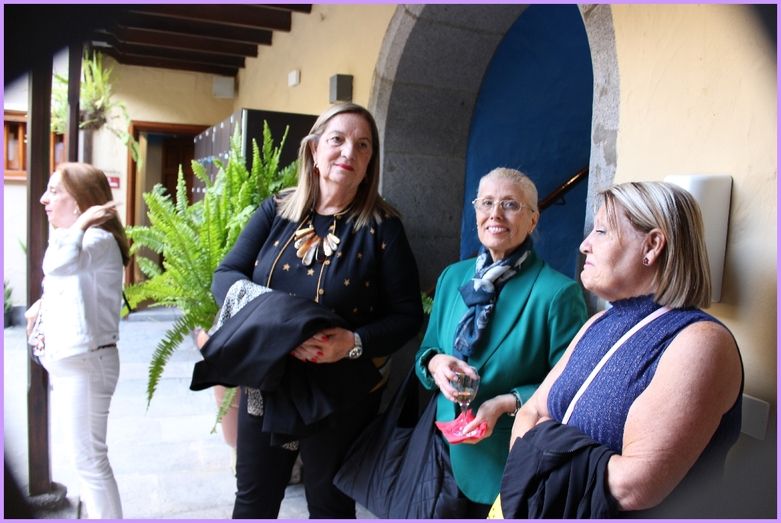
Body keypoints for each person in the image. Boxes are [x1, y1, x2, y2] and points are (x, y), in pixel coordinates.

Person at [209, 102, 423, 518]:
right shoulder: (277, 210)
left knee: (330, 506)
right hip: (267, 382)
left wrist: (352, 343)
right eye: (337, 139)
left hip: (340, 395)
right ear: (314, 150)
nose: (349, 152)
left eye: (363, 145)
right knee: (253, 501)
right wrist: (279, 327)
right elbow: (226, 275)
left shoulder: (383, 228)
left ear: (370, 163)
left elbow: (407, 315)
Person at [501, 181, 743, 518]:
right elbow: (529, 412)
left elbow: (634, 486)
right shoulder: (598, 323)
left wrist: (538, 447)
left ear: (652, 246)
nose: (585, 245)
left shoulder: (700, 342)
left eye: (601, 231)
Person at [414, 167, 588, 517]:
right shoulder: (452, 277)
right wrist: (434, 363)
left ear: (533, 219)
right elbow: (426, 352)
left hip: (505, 460)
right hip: (441, 454)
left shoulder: (557, 293)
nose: (495, 214)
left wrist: (505, 402)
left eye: (510, 204)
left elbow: (571, 387)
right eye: (486, 203)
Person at [26, 162, 128, 519]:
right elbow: (70, 284)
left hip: (88, 366)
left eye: (54, 191)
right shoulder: (79, 240)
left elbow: (59, 266)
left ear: (82, 201)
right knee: (86, 461)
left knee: (91, 461)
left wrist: (83, 223)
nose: (44, 199)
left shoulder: (96, 239)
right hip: (78, 365)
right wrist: (41, 306)